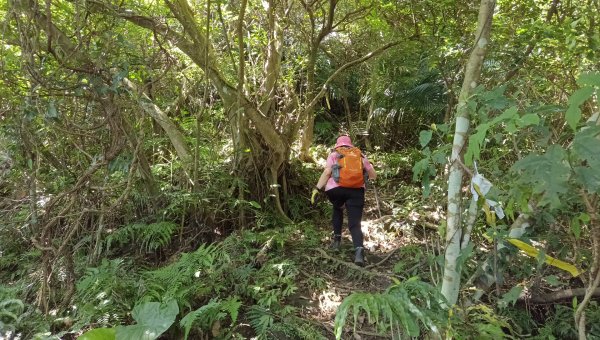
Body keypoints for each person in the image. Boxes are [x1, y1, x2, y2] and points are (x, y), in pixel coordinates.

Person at [312, 135, 377, 266]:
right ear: (350, 144)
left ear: (338, 144)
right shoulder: (360, 155)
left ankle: (336, 241)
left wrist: (317, 188)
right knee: (355, 223)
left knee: (337, 208)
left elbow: (327, 172)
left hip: (336, 190)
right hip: (356, 191)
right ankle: (359, 253)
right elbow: (373, 175)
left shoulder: (334, 154)